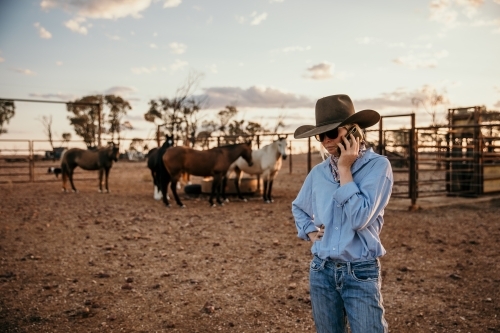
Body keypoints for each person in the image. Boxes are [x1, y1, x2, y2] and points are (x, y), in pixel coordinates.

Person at [292, 94, 393, 333]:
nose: (325, 142)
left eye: (332, 133)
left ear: (353, 132)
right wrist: (311, 232)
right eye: (321, 135)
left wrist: (345, 168)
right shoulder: (318, 173)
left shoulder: (378, 167)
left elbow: (360, 219)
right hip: (322, 270)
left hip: (360, 271)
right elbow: (298, 207)